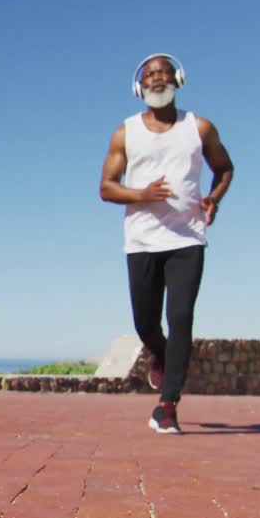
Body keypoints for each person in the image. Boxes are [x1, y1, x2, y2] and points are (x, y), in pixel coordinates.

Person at [99, 53, 234, 433]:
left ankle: (167, 405)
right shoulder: (125, 132)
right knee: (145, 324)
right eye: (150, 75)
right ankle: (161, 355)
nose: (157, 78)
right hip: (141, 239)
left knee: (180, 317)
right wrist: (143, 195)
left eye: (163, 73)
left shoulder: (199, 128)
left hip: (187, 237)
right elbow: (106, 188)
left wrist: (213, 198)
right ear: (139, 87)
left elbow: (224, 169)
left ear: (178, 79)